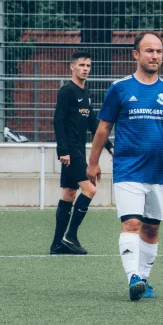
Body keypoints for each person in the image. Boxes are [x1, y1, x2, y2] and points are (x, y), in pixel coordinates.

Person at [87, 31, 163, 301]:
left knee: (152, 228)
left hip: (159, 172)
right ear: (136, 54)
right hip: (128, 169)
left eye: (158, 51)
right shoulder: (119, 88)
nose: (155, 56)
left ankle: (143, 281)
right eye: (149, 51)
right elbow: (103, 128)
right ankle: (132, 277)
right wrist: (93, 162)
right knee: (132, 223)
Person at [50, 51, 113, 256]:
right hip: (71, 152)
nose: (85, 68)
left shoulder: (86, 93)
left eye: (88, 65)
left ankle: (57, 244)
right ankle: (71, 236)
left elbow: (94, 124)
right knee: (90, 190)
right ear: (72, 67)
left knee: (69, 194)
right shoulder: (66, 91)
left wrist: (110, 146)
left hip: (78, 150)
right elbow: (58, 121)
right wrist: (63, 151)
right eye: (82, 65)